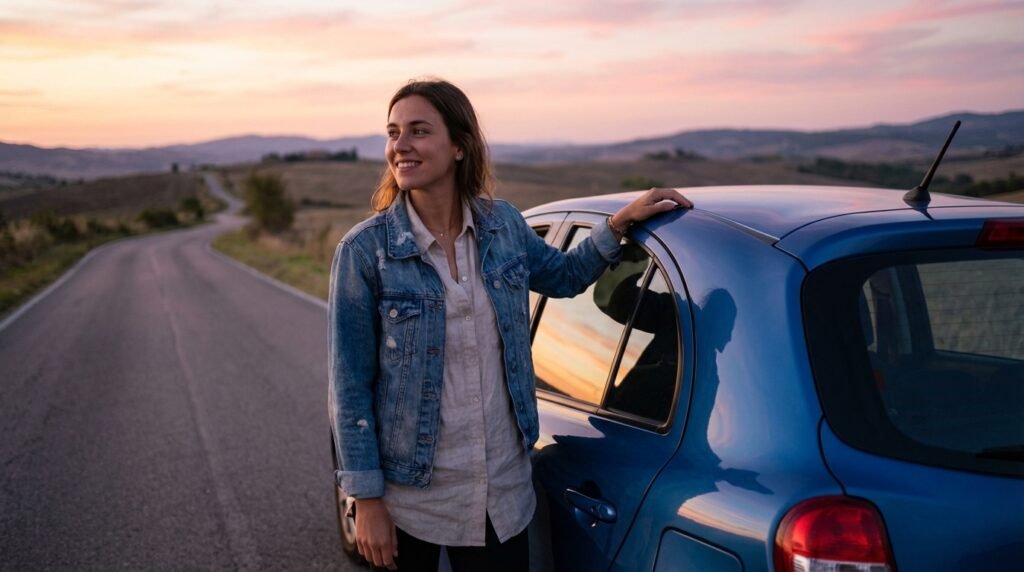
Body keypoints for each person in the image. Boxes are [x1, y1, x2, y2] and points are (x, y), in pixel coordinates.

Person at [328, 78, 692, 571]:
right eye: (393, 133)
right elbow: (350, 386)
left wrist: (617, 225)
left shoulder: (503, 226)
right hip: (412, 500)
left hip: (502, 495)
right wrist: (365, 500)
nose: (401, 146)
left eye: (418, 131)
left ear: (459, 146)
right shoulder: (364, 252)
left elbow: (563, 276)